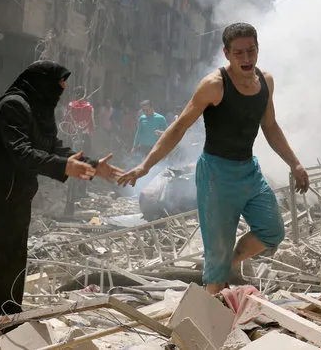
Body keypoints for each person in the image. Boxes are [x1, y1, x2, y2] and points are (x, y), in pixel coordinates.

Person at [0, 61, 122, 323]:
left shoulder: (40, 111)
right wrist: (64, 167)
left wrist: (93, 166)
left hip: (12, 195)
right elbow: (21, 152)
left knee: (8, 256)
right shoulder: (13, 105)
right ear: (40, 83)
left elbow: (53, 147)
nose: (61, 90)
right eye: (58, 84)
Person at [118, 23, 309, 294]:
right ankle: (211, 318)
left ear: (258, 49)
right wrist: (145, 166)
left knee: (273, 231)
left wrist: (295, 162)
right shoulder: (214, 85)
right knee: (216, 256)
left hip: (249, 172)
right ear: (226, 54)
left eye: (251, 51)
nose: (246, 59)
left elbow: (270, 126)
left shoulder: (266, 81)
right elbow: (179, 127)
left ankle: (228, 264)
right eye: (239, 53)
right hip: (215, 176)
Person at [63, 86, 95, 215]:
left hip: (72, 137)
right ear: (84, 94)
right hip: (84, 138)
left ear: (75, 95)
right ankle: (81, 191)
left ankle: (70, 201)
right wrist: (91, 134)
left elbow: (65, 121)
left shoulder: (70, 106)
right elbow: (92, 124)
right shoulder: (89, 107)